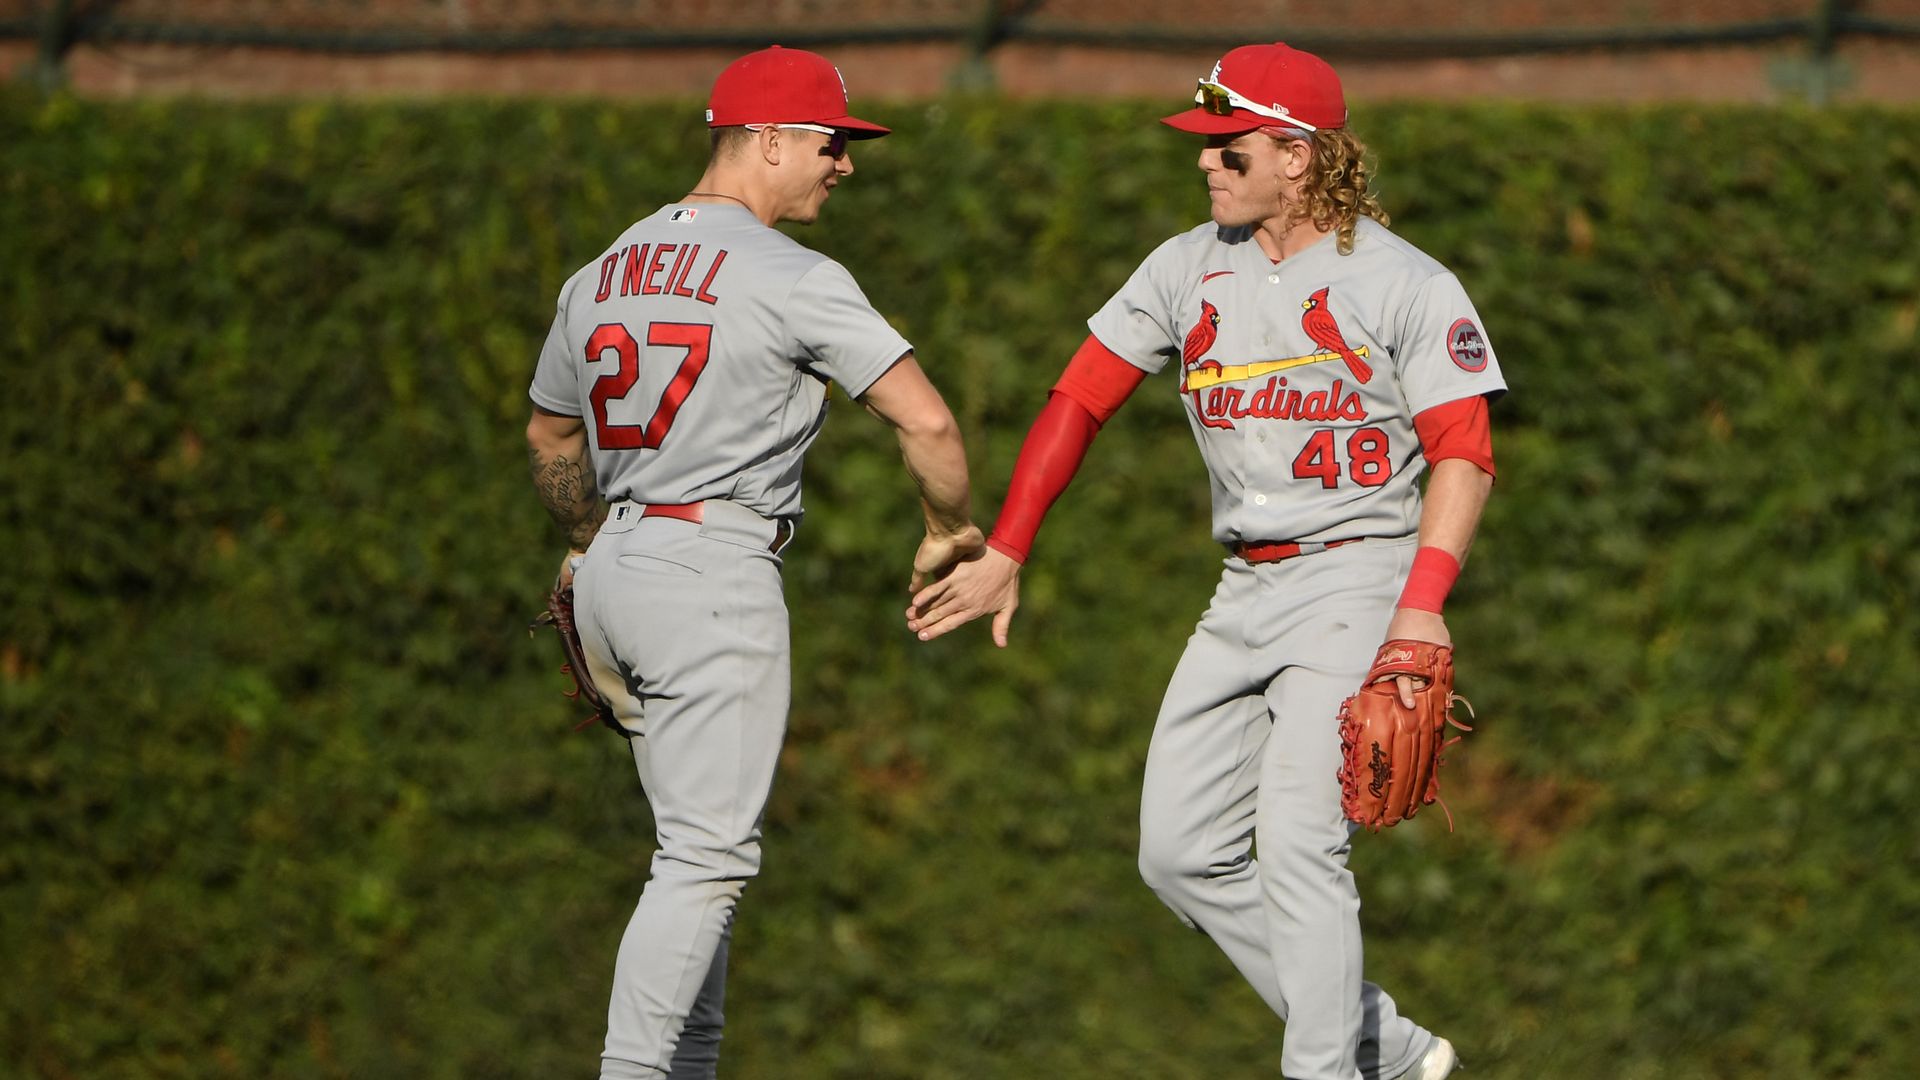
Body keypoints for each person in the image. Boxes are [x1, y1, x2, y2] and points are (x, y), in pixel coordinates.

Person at [906, 41, 1503, 1080]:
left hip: (1358, 570)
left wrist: (1421, 608)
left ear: (1300, 155)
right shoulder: (1186, 266)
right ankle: (1384, 1044)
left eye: (1230, 148)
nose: (1206, 164)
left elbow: (1466, 453)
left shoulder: (1404, 282)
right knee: (1177, 854)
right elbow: (1080, 397)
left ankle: (1324, 1071)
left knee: (1300, 841)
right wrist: (1008, 546)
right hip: (1245, 586)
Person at [525, 45, 984, 1080]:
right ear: (768, 140)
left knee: (695, 861)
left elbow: (552, 439)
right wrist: (950, 529)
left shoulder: (603, 268)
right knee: (707, 859)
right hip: (711, 571)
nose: (845, 164)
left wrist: (591, 547)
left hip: (615, 567)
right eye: (832, 143)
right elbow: (930, 424)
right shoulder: (791, 274)